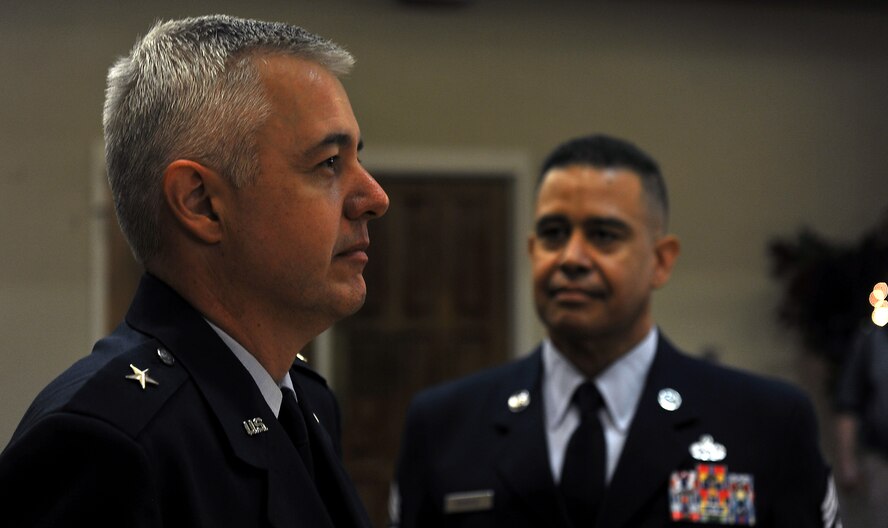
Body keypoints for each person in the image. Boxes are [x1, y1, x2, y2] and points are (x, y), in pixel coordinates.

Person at [0, 14, 388, 527]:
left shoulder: (303, 401)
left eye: (357, 158)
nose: (374, 198)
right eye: (328, 164)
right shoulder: (108, 443)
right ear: (201, 203)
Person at [390, 134, 840, 527]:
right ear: (532, 250)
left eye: (604, 235)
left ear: (661, 261)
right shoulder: (445, 426)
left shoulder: (765, 424)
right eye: (553, 233)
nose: (571, 258)